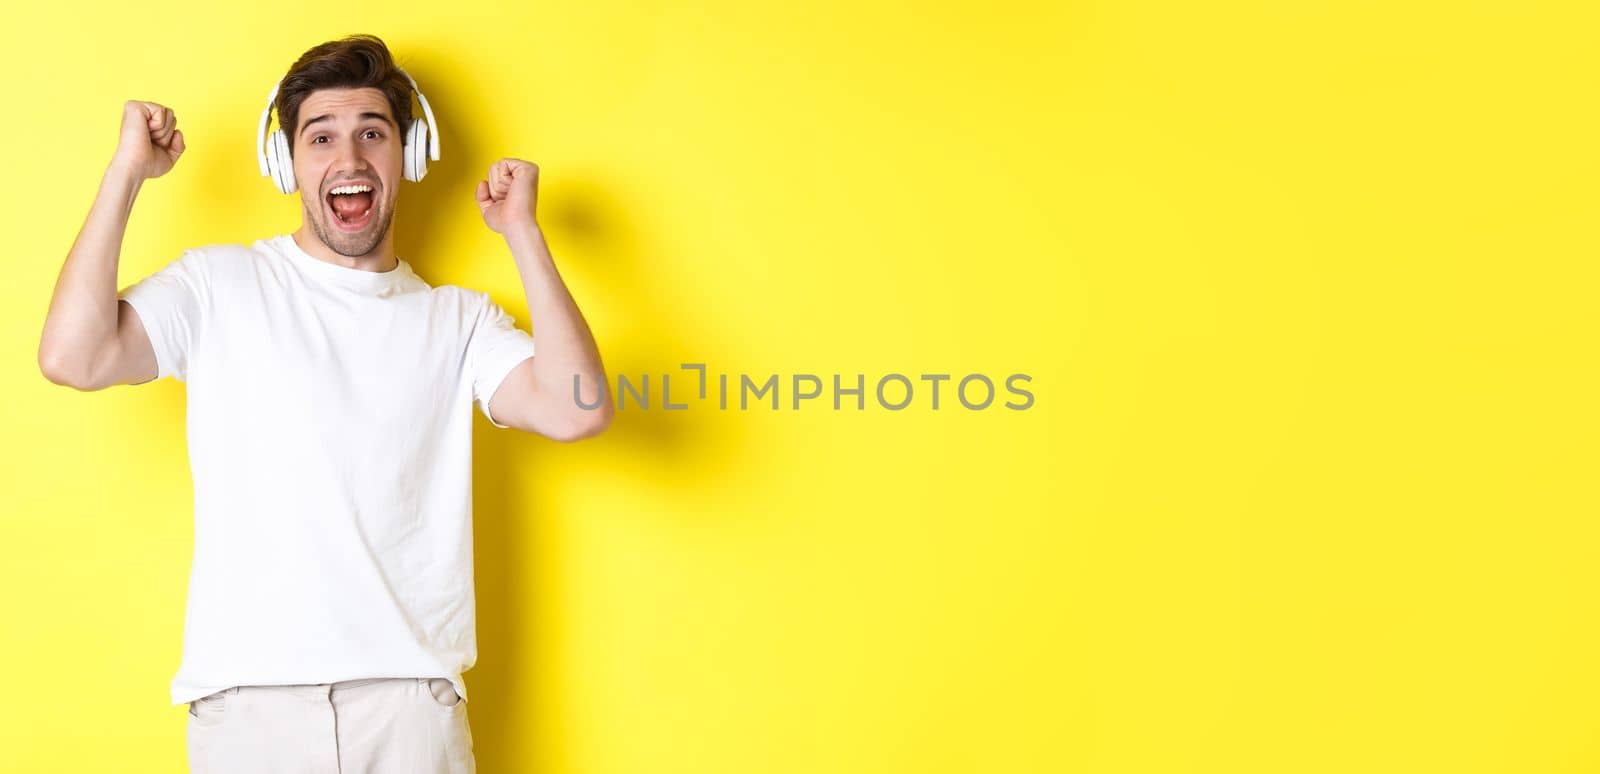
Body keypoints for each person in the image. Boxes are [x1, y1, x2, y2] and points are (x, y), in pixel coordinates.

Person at [36, 34, 613, 773]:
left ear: (408, 156)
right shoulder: (218, 286)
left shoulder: (460, 321)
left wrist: (523, 235)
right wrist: (127, 171)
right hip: (248, 713)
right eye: (321, 138)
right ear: (286, 161)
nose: (349, 160)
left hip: (409, 715)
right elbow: (71, 356)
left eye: (373, 133)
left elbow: (580, 408)